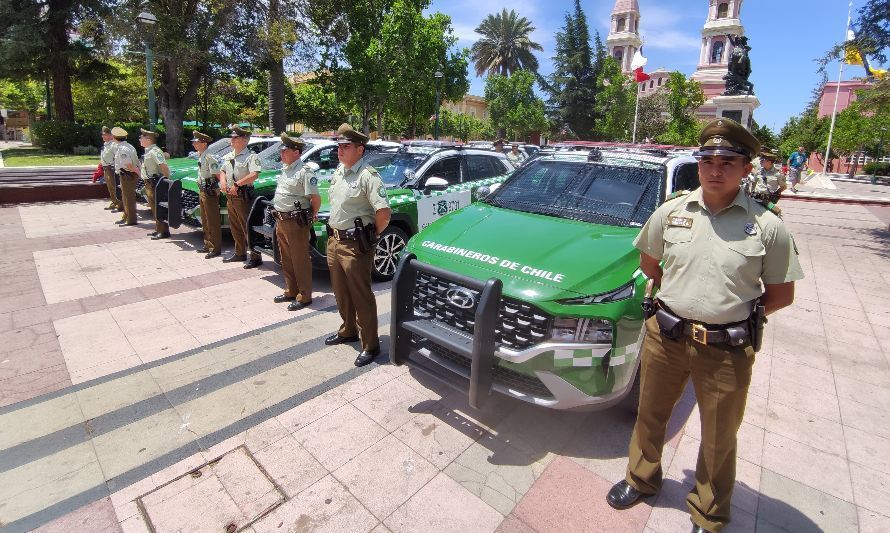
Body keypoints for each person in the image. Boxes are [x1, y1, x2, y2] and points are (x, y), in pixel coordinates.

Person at [606, 118, 804, 533]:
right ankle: (640, 479)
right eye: (707, 160)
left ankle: (708, 511)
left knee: (719, 435)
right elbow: (649, 263)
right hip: (667, 335)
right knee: (651, 415)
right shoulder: (671, 212)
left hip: (727, 349)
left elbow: (781, 295)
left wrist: (729, 315)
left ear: (746, 168)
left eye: (727, 161)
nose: (715, 169)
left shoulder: (767, 227)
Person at [324, 123, 391, 367]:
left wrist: (370, 236)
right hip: (335, 241)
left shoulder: (368, 176)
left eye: (346, 146)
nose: (340, 151)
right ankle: (348, 330)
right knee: (340, 292)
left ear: (360, 149)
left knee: (361, 295)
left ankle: (371, 344)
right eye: (339, 146)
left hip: (356, 245)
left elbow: (383, 212)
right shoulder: (340, 171)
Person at [271, 134, 320, 311]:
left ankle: (305, 295)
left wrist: (311, 216)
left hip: (296, 221)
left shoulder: (304, 172)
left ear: (296, 152)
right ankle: (291, 289)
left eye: (285, 150)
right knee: (287, 258)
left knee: (300, 259)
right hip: (281, 220)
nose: (282, 153)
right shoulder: (286, 169)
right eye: (281, 150)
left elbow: (315, 198)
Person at [220, 126, 263, 268]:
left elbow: (254, 174)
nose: (231, 140)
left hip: (242, 196)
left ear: (244, 140)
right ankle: (240, 253)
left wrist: (237, 184)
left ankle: (256, 257)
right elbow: (222, 171)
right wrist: (223, 182)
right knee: (235, 226)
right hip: (230, 196)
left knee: (247, 226)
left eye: (235, 138)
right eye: (231, 137)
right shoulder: (229, 156)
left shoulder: (251, 156)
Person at [192, 131, 222, 258]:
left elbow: (218, 175)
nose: (194, 144)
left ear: (204, 143)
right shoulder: (202, 155)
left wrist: (218, 189)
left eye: (196, 142)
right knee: (205, 219)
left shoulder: (210, 157)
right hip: (203, 190)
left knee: (212, 220)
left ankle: (215, 247)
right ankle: (208, 244)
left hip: (209, 191)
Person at [139, 129, 171, 239]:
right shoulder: (148, 150)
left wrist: (165, 181)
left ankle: (163, 231)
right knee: (153, 207)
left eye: (141, 137)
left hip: (154, 183)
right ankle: (158, 229)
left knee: (158, 207)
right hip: (149, 183)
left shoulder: (155, 151)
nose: (140, 139)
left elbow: (163, 167)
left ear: (148, 139)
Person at [112, 127, 140, 227]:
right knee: (126, 197)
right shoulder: (128, 146)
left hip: (128, 175)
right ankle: (126, 216)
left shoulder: (122, 149)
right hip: (128, 174)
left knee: (128, 198)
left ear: (114, 137)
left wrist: (139, 173)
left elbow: (128, 165)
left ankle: (131, 220)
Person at [99, 126, 122, 212]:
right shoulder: (106, 145)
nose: (103, 136)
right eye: (102, 135)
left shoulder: (113, 145)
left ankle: (119, 204)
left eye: (105, 135)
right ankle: (114, 202)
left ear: (111, 136)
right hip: (106, 169)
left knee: (114, 187)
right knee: (110, 187)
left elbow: (118, 157)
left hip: (112, 169)